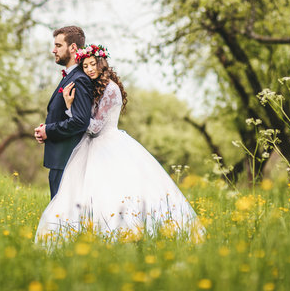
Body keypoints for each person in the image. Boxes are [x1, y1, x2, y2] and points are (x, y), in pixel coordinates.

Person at [35, 44, 205, 243]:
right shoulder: (95, 85)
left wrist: (71, 107)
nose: (89, 69)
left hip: (106, 143)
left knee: (112, 190)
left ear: (102, 64)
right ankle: (85, 234)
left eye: (92, 64)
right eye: (86, 65)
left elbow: (95, 127)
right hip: (90, 145)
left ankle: (120, 234)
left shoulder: (111, 89)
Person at [34, 26, 94, 199]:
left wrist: (49, 130)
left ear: (73, 47)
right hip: (61, 160)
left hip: (66, 160)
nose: (54, 50)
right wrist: (46, 130)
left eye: (58, 45)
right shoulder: (71, 76)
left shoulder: (80, 79)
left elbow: (81, 121)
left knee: (64, 219)